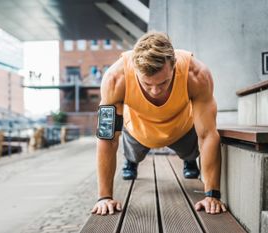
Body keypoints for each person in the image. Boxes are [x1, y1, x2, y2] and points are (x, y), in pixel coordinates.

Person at [91, 31, 227, 216]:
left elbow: (208, 134)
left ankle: (189, 160)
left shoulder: (196, 74)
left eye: (163, 83)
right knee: (133, 155)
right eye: (147, 84)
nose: (155, 91)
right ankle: (131, 161)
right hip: (138, 131)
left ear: (174, 66)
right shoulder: (115, 79)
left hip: (181, 128)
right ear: (134, 68)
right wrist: (104, 197)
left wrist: (212, 194)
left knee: (191, 151)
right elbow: (107, 138)